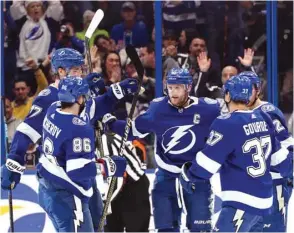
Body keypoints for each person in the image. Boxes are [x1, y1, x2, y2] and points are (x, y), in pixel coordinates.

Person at [1, 47, 140, 230]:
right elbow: (26, 131)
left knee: (98, 224)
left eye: (81, 69)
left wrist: (118, 90)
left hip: (83, 173)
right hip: (62, 178)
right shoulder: (47, 99)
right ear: (60, 71)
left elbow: (94, 107)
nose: (80, 74)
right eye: (75, 70)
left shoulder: (73, 94)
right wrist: (14, 162)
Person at [102, 68, 220, 232]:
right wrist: (112, 124)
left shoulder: (209, 109)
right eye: (170, 87)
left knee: (201, 229)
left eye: (178, 87)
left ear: (189, 87)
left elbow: (231, 125)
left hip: (196, 177)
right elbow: (135, 130)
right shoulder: (159, 108)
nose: (173, 92)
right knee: (166, 230)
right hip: (166, 177)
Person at [179, 74, 292, 232]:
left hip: (241, 201)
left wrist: (188, 175)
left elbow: (207, 165)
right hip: (266, 202)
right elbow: (281, 161)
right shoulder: (264, 118)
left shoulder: (226, 123)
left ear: (227, 95)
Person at [37, 77, 127, 232]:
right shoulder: (79, 129)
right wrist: (108, 166)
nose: (86, 98)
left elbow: (93, 107)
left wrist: (114, 93)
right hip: (68, 194)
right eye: (84, 95)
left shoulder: (53, 109)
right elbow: (78, 171)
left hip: (47, 187)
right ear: (79, 98)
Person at [245, 71, 294, 232]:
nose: (243, 94)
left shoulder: (268, 111)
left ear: (257, 90)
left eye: (247, 89)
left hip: (274, 182)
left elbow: (287, 145)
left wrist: (286, 174)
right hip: (251, 183)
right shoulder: (240, 113)